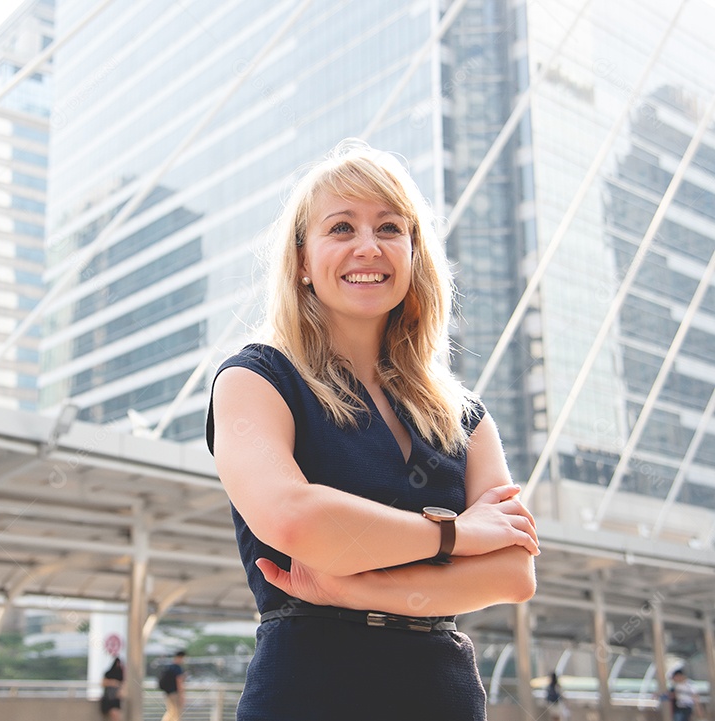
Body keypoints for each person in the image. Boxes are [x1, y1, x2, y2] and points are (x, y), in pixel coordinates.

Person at [206, 139, 539, 720]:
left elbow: (514, 571)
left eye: (390, 227)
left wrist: (352, 588)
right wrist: (455, 535)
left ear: (414, 254)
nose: (368, 246)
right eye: (341, 227)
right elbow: (296, 519)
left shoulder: (463, 414)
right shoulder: (255, 380)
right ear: (302, 262)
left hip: (443, 696)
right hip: (309, 691)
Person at [158, 650, 186, 721]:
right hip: (175, 693)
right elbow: (179, 682)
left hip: (168, 693)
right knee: (176, 713)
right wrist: (181, 695)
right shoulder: (178, 668)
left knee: (170, 712)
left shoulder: (170, 667)